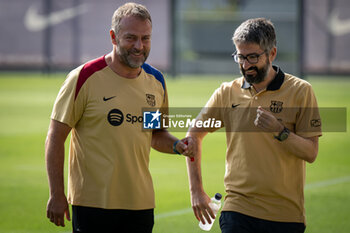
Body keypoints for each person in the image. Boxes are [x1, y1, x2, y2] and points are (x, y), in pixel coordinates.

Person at [45, 3, 191, 233]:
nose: (139, 46)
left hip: (140, 205)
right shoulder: (83, 77)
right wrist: (56, 193)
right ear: (113, 37)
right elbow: (55, 138)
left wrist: (177, 145)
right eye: (131, 38)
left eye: (145, 38)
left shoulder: (156, 81)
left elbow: (154, 134)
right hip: (92, 204)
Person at [185, 18, 322, 233]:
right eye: (240, 57)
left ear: (272, 53)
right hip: (237, 209)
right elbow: (192, 136)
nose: (245, 65)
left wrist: (280, 131)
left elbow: (311, 153)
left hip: (285, 215)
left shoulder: (301, 91)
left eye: (253, 57)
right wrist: (196, 191)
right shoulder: (227, 92)